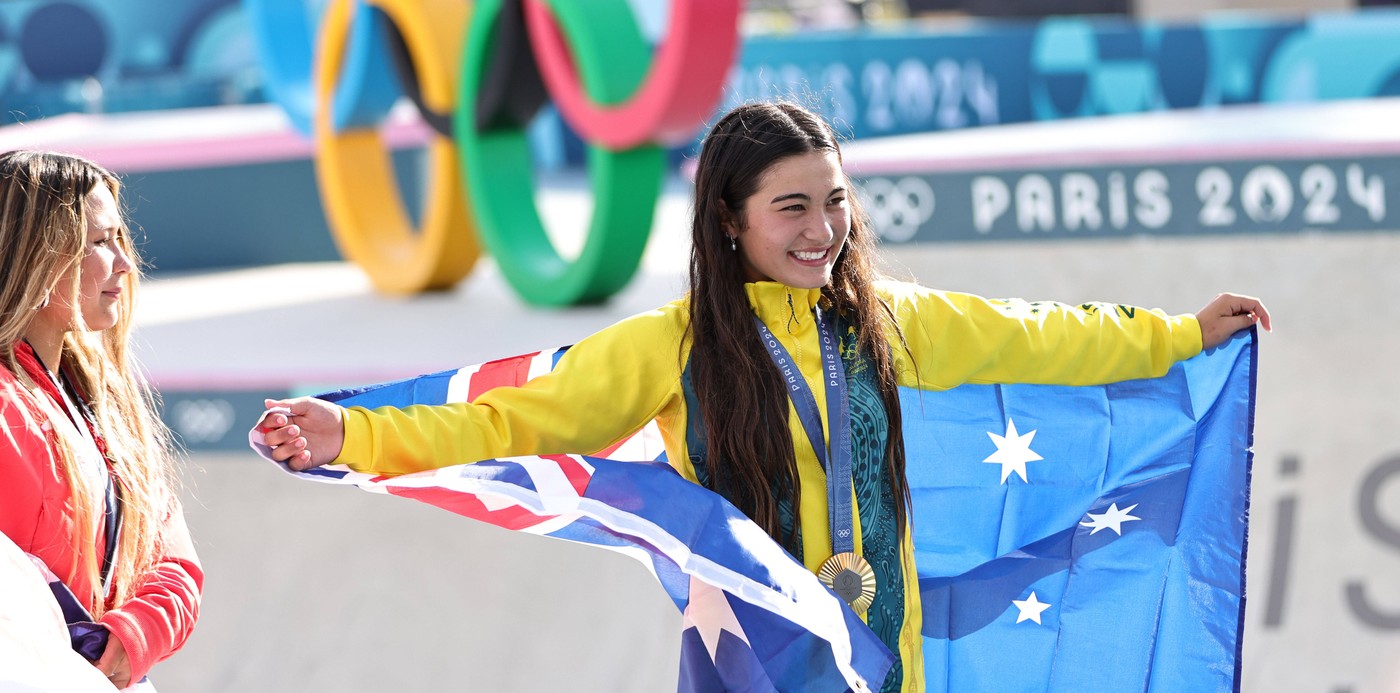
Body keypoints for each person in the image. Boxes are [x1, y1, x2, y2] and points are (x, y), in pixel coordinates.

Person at [257, 101, 1270, 693]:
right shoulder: (672, 346)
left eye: (833, 201)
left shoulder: (884, 321)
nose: (821, 228)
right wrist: (354, 430)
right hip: (749, 664)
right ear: (730, 222)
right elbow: (504, 423)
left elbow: (1033, 333)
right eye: (790, 207)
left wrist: (1178, 335)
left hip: (880, 661)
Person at [0, 151, 202, 689]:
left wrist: (126, 642)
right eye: (98, 242)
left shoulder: (106, 400)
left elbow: (175, 562)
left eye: (120, 238)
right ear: (33, 256)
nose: (125, 263)